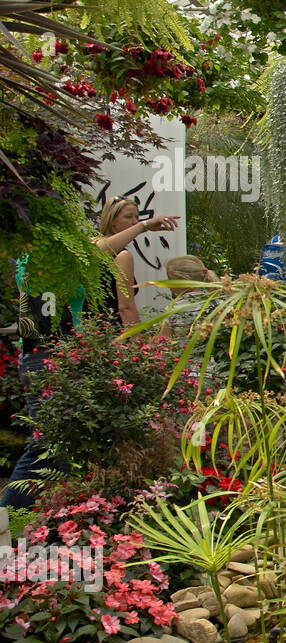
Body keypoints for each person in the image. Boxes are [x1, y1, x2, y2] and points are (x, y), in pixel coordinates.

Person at [1, 207, 177, 515]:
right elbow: (101, 250)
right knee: (46, 445)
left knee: (65, 447)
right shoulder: (48, 259)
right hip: (47, 358)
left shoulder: (33, 259)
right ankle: (8, 513)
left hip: (48, 356)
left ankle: (45, 519)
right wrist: (145, 225)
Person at [95, 197, 182, 329]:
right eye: (128, 217)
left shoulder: (93, 245)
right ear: (112, 220)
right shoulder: (122, 256)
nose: (134, 222)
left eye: (137, 217)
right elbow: (126, 307)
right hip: (110, 332)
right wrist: (137, 341)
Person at [160, 255, 217, 341]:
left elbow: (163, 341)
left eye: (170, 280)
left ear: (184, 280)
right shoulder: (218, 303)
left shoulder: (172, 309)